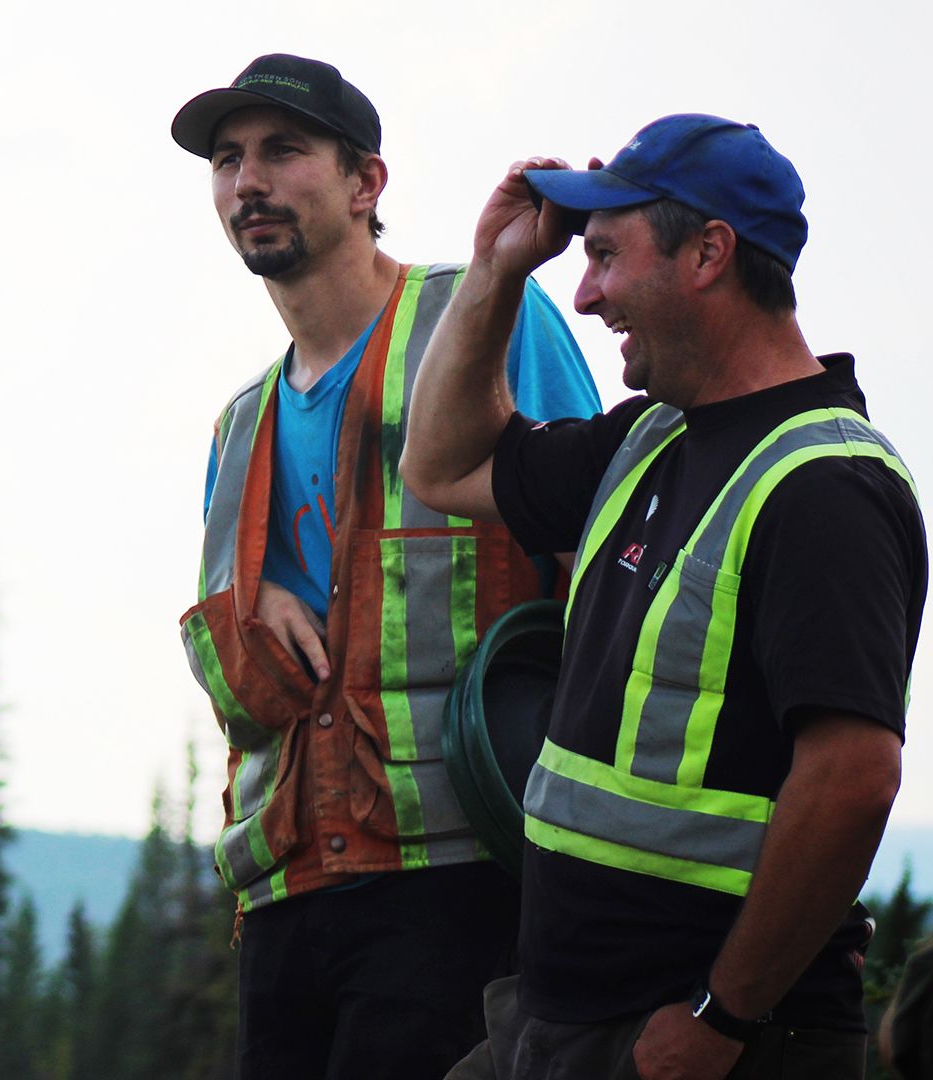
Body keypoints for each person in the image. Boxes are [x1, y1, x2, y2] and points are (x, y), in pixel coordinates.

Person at [401, 114, 927, 1079]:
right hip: (559, 1019)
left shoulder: (825, 489)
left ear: (708, 254)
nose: (588, 292)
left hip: (702, 1040)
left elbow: (853, 778)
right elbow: (440, 464)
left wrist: (722, 1017)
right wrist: (495, 273)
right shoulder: (650, 439)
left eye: (605, 255)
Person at [171, 54, 600, 1078]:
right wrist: (251, 598)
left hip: (463, 874)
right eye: (228, 160)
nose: (249, 183)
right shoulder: (239, 426)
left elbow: (603, 559)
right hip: (285, 893)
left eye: (284, 151)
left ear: (367, 184)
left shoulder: (486, 313)